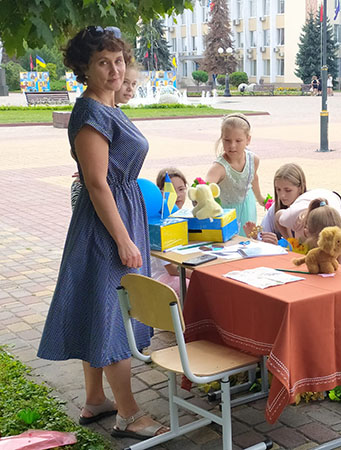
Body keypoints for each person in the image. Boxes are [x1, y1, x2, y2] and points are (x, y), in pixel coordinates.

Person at [37, 26, 168, 439]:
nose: (115, 69)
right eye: (103, 62)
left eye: (119, 60)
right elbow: (96, 183)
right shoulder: (91, 113)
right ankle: (129, 414)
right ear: (84, 68)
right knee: (113, 318)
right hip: (106, 226)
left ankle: (95, 399)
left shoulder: (108, 106)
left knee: (99, 308)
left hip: (117, 215)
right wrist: (124, 239)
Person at [70, 63, 140, 210]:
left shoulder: (114, 112)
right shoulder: (95, 113)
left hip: (119, 198)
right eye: (125, 82)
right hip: (105, 199)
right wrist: (89, 169)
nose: (130, 89)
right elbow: (78, 150)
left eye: (134, 84)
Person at [206, 113, 265, 236]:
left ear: (248, 140)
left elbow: (253, 178)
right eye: (227, 140)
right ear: (222, 139)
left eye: (238, 141)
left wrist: (260, 198)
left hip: (248, 207)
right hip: (227, 213)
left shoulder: (253, 160)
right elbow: (206, 187)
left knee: (249, 238)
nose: (232, 145)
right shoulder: (219, 168)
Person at [243, 163, 307, 245]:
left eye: (288, 190)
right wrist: (256, 237)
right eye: (278, 189)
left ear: (300, 188)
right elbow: (263, 234)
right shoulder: (274, 209)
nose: (282, 195)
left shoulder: (308, 209)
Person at [153, 168, 191, 294]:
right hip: (161, 277)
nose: (178, 195)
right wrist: (199, 274)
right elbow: (172, 269)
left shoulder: (186, 216)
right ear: (161, 193)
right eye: (171, 191)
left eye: (181, 189)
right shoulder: (159, 223)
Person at [276, 188, 341, 240]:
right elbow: (277, 216)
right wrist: (290, 240)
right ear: (306, 232)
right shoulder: (293, 216)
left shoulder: (338, 230)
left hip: (337, 202)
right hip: (312, 197)